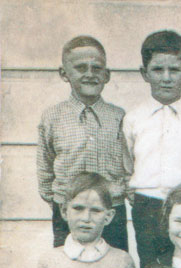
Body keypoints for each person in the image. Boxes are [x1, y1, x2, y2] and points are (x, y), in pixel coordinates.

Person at [123, 30, 181, 268]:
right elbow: (127, 163)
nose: (166, 78)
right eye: (158, 70)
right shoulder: (133, 118)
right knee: (152, 266)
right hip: (147, 206)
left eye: (175, 70)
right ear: (144, 73)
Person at [37, 35, 128, 251]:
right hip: (68, 212)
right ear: (64, 73)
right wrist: (62, 204)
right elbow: (45, 167)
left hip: (110, 212)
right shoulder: (52, 117)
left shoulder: (119, 117)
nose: (89, 74)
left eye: (96, 68)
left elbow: (129, 167)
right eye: (80, 68)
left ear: (107, 75)